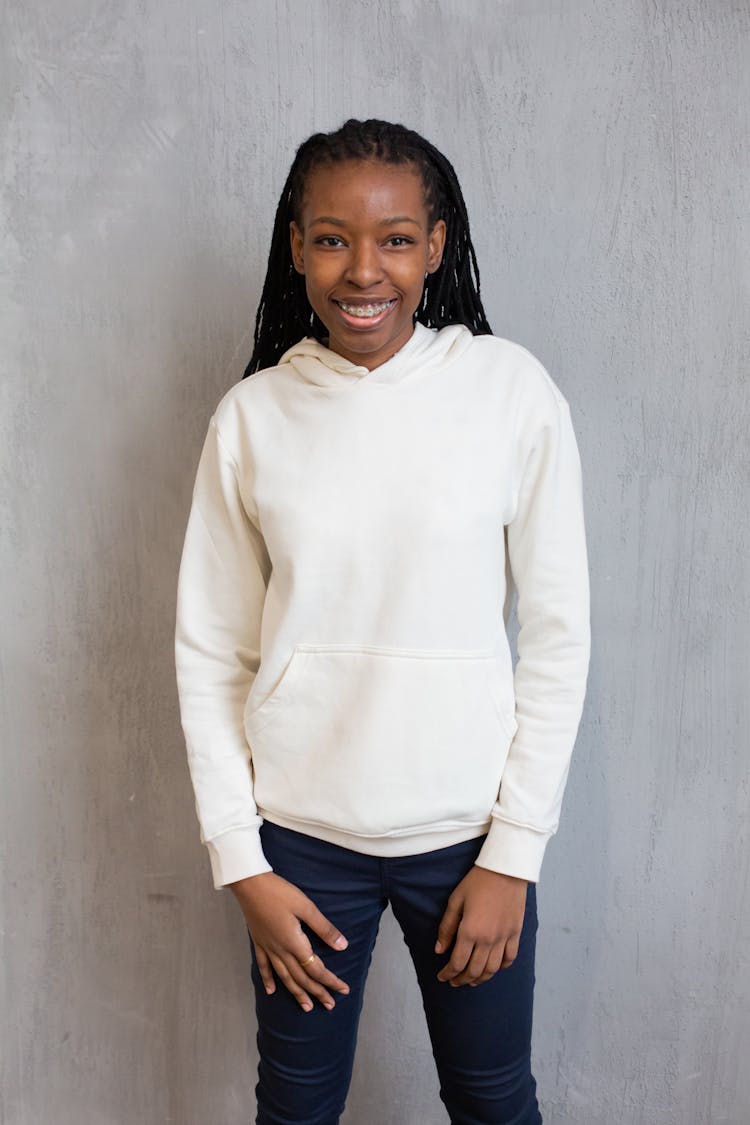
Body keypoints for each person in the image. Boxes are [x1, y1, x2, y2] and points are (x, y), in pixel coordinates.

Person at [175, 118, 590, 1125]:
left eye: (397, 238)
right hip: (301, 854)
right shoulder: (254, 418)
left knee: (493, 1098)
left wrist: (512, 855)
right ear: (297, 248)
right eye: (332, 238)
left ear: (437, 247)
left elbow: (559, 636)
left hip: (468, 847)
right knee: (300, 1104)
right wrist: (243, 862)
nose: (364, 268)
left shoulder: (509, 394)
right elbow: (210, 652)